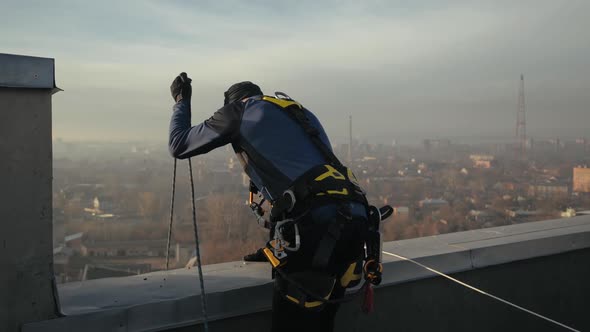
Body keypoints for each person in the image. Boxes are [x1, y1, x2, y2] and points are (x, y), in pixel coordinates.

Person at [168, 73, 384, 332]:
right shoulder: (297, 112)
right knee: (323, 323)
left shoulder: (238, 112)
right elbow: (298, 179)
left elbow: (179, 145)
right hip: (355, 219)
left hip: (315, 228)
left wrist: (181, 100)